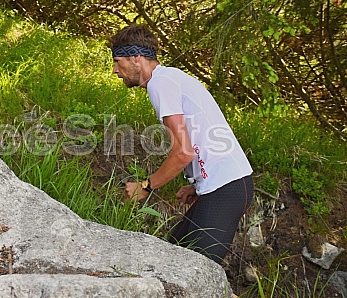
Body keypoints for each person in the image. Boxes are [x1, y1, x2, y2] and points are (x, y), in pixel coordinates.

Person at [109, 24, 254, 265]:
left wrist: (146, 186)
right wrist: (198, 184)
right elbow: (199, 136)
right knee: (174, 261)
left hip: (227, 187)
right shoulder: (170, 77)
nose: (115, 70)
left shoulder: (160, 84)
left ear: (136, 58)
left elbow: (183, 151)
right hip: (223, 184)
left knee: (198, 274)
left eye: (117, 61)